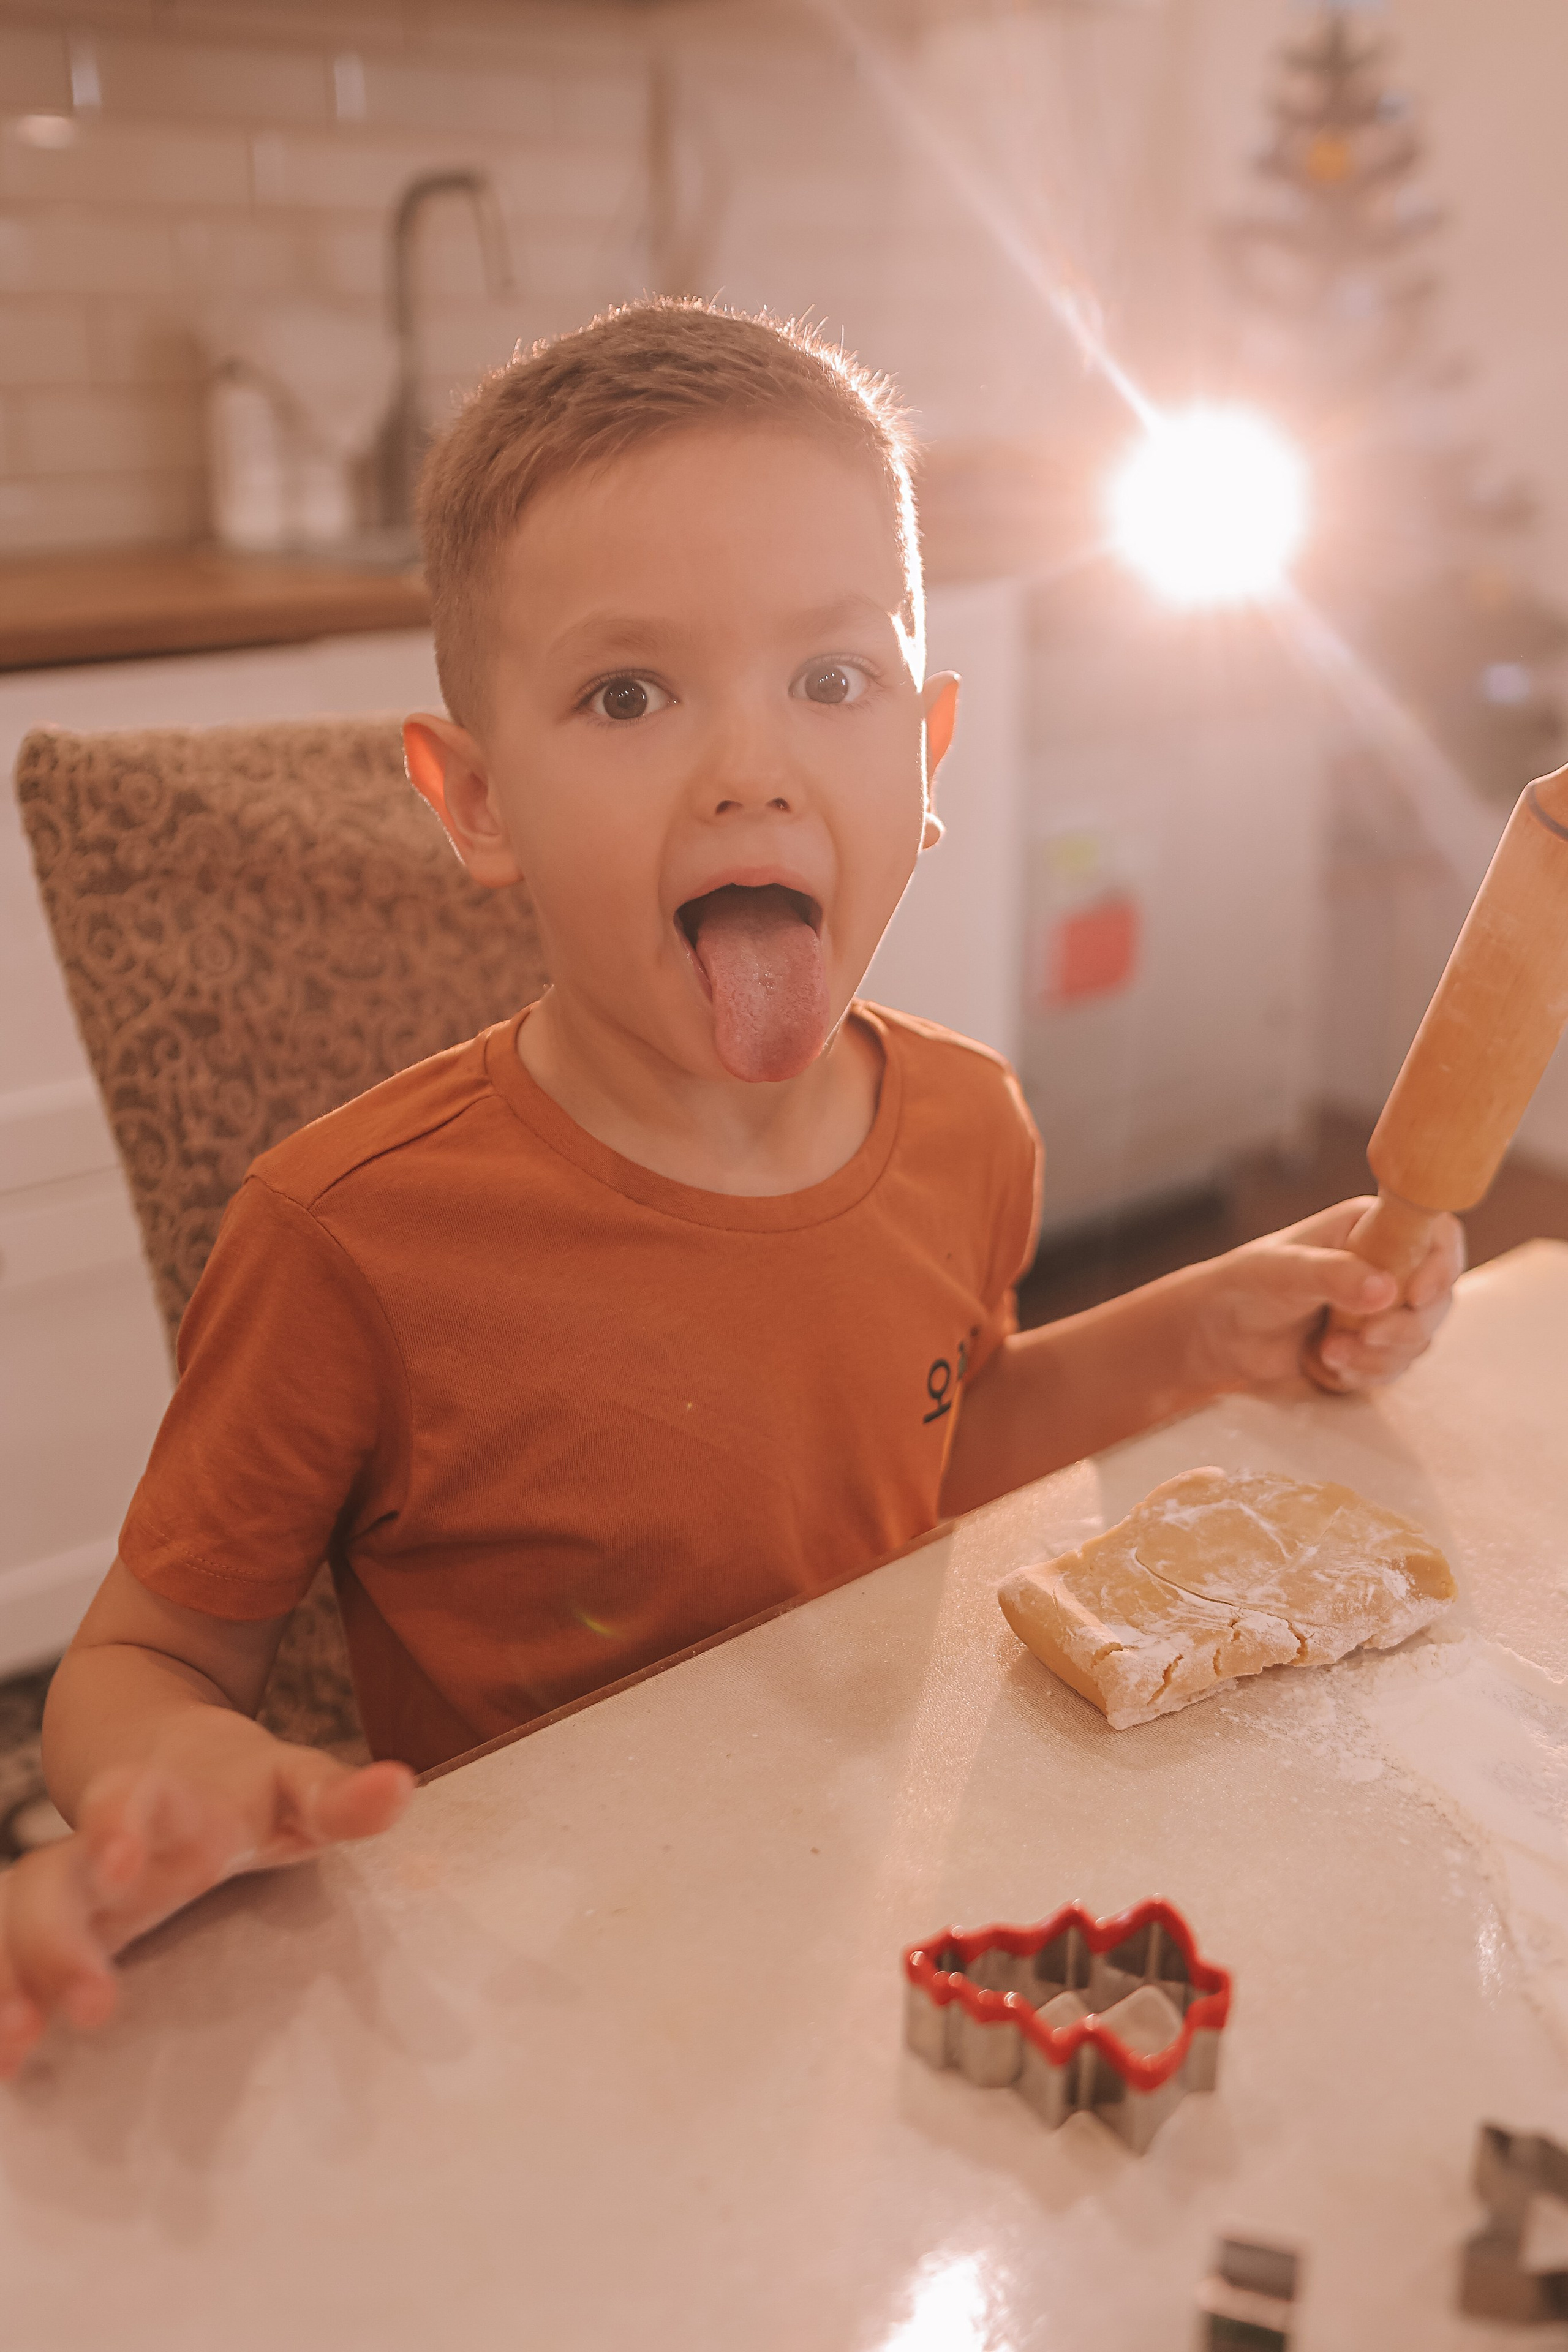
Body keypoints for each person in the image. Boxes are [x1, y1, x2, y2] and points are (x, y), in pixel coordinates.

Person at [0, 301, 1460, 2074]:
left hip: (873, 1898)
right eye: (629, 693)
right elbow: (135, 1662)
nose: (751, 766)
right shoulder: (349, 1241)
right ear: (476, 802)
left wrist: (1199, 1332)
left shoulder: (968, 1123)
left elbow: (923, 1447)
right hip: (529, 1997)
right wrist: (184, 1770)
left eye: (830, 680)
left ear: (925, 761)